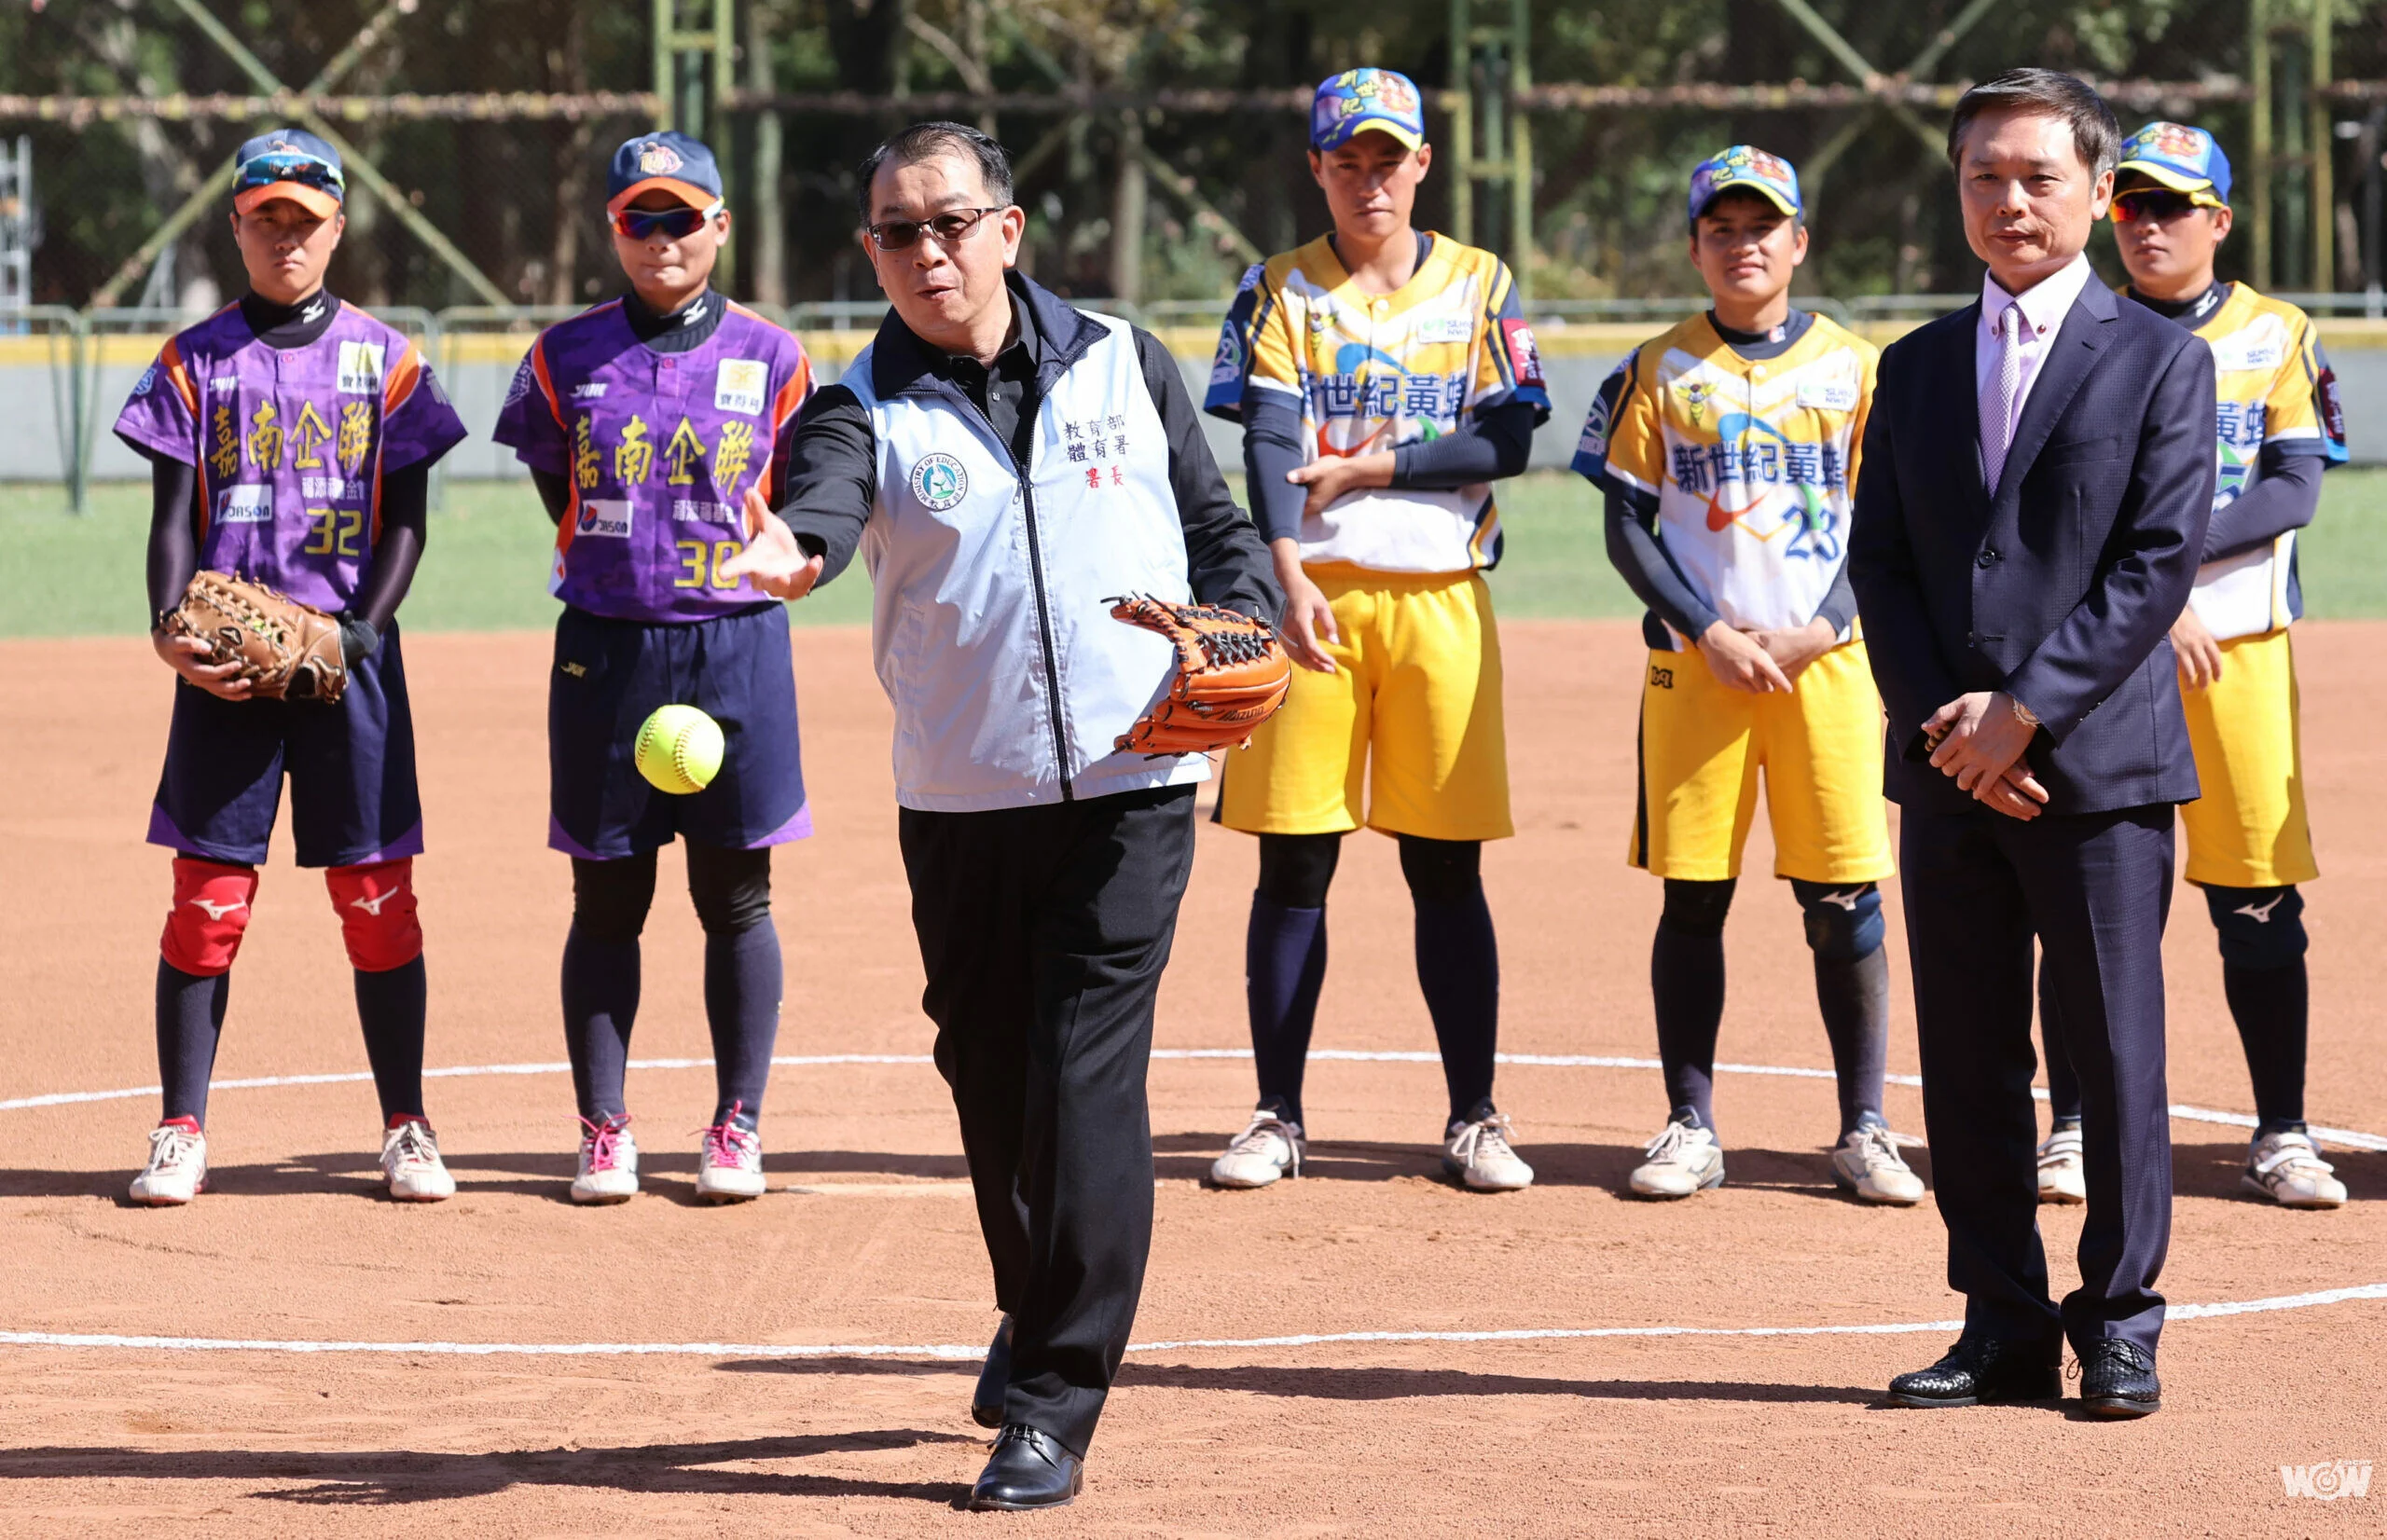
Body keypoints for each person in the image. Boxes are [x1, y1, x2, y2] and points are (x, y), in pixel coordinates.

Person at [724, 122, 1279, 1509]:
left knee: (1087, 1076)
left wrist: (1244, 617)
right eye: (900, 233)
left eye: (953, 222)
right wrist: (790, 554)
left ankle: (1054, 1401)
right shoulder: (861, 401)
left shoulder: (1122, 360)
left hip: (1137, 782)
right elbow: (821, 509)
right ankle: (1034, 1306)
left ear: (1010, 229)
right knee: (990, 1078)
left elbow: (1212, 530)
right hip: (966, 795)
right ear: (873, 254)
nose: (930, 252)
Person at [1849, 70, 2216, 1418]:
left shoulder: (2166, 360)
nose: (2009, 200)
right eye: (1983, 177)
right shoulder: (1916, 365)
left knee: (2112, 1051)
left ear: (2096, 192)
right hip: (1950, 770)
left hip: (2099, 768)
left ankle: (2120, 1318)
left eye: (2038, 176)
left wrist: (2024, 711)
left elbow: (2156, 561)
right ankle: (2000, 1318)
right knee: (1967, 1053)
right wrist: (1948, 724)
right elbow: (1878, 563)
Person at [1197, 67, 1548, 1194]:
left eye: (1386, 158)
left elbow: (1508, 443)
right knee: (1293, 863)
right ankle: (1276, 1115)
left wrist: (1375, 465)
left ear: (1422, 164)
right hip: (1313, 604)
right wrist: (1283, 572)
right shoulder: (1280, 289)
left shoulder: (1480, 285)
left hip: (1441, 597)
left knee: (1446, 868)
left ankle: (1474, 1117)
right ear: (1315, 168)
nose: (1367, 180)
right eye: (1344, 160)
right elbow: (1264, 439)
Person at [114, 129, 468, 1204]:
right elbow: (173, 516)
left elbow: (407, 518)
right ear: (236, 225)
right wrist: (170, 622)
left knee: (377, 898)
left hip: (346, 658)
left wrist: (362, 628)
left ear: (337, 229)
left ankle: (406, 1123)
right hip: (226, 665)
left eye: (303, 220)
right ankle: (181, 1126)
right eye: (265, 218)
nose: (284, 237)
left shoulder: (386, 359)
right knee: (207, 898)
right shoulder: (192, 360)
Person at [1574, 146, 1922, 1206]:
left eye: (1762, 226)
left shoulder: (1861, 370)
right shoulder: (1657, 368)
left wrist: (1825, 627)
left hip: (1827, 667)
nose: (1743, 245)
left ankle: (1864, 1123)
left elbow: (1893, 522)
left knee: (1844, 895)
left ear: (1798, 242)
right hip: (1700, 667)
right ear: (1694, 246)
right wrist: (1701, 625)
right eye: (1720, 229)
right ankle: (1689, 1119)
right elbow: (1624, 518)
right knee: (1694, 893)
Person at [2031, 121, 2351, 1212]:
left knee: (2256, 896)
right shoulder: (2075, 327)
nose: (2148, 224)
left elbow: (2290, 490)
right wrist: (2145, 601)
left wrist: (2163, 564)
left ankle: (2281, 1129)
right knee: (2080, 894)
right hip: (2098, 655)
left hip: (2240, 656)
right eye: (2131, 204)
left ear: (2219, 218)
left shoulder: (2274, 331)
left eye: (2173, 206)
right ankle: (2070, 1127)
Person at [491, 131, 815, 1205]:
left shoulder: (774, 359)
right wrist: (616, 556)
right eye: (642, 218)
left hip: (734, 643)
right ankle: (605, 1128)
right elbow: (556, 479)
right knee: (606, 898)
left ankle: (737, 1125)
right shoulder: (562, 355)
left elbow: (807, 493)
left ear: (720, 226)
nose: (662, 237)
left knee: (736, 894)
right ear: (614, 230)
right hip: (608, 645)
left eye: (682, 217)